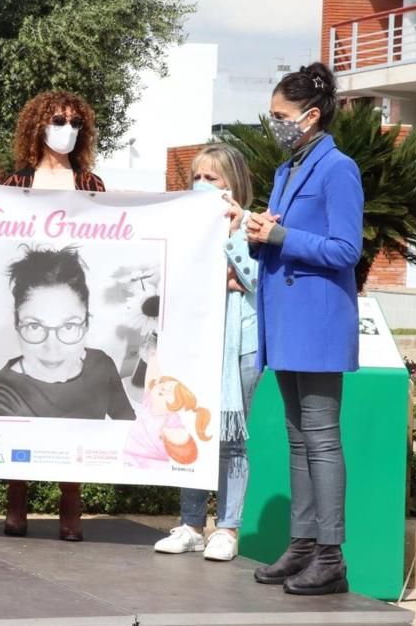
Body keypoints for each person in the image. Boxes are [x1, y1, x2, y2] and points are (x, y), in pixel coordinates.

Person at [246, 63, 363, 595]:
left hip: (317, 322)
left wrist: (280, 236)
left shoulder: (338, 168)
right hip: (287, 322)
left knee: (320, 439)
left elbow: (345, 249)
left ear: (311, 116)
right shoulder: (287, 169)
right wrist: (256, 232)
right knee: (299, 441)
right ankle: (302, 544)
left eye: (280, 116)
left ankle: (331, 556)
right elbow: (279, 236)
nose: (275, 125)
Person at [0, 90, 108, 542]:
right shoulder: (13, 184)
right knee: (24, 407)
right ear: (37, 126)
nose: (66, 128)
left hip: (69, 295)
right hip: (30, 299)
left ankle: (70, 505)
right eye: (58, 120)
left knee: (73, 408)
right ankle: (16, 500)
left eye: (74, 122)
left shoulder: (91, 185)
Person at [153, 143, 261, 562]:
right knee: (193, 432)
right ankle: (192, 525)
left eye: (211, 178)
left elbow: (254, 280)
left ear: (233, 183)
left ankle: (228, 530)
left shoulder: (253, 225)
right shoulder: (185, 230)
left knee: (231, 440)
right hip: (195, 345)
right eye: (197, 177)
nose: (202, 184)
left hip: (240, 347)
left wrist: (235, 235)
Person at [0, 245, 132, 420]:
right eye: (34, 326)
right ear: (16, 324)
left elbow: (132, 433)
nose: (52, 349)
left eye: (68, 326)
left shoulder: (101, 365)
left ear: (87, 324)